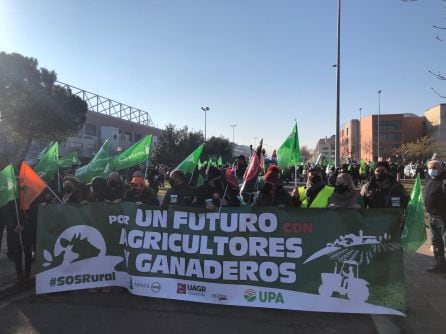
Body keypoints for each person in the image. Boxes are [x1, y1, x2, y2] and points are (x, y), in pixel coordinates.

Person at [423, 160, 446, 274]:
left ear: (441, 167)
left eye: (435, 167)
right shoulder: (429, 179)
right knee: (436, 243)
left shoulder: (443, 181)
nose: (432, 170)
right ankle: (440, 265)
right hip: (431, 216)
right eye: (430, 167)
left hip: (443, 217)